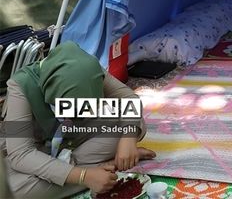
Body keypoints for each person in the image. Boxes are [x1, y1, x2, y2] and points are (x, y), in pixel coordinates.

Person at [0, 41, 156, 198]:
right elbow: (20, 153)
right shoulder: (18, 87)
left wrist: (128, 139)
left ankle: (91, 170)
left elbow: (128, 98)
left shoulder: (86, 67)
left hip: (76, 136)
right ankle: (102, 169)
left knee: (134, 123)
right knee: (12, 190)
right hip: (41, 149)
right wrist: (83, 177)